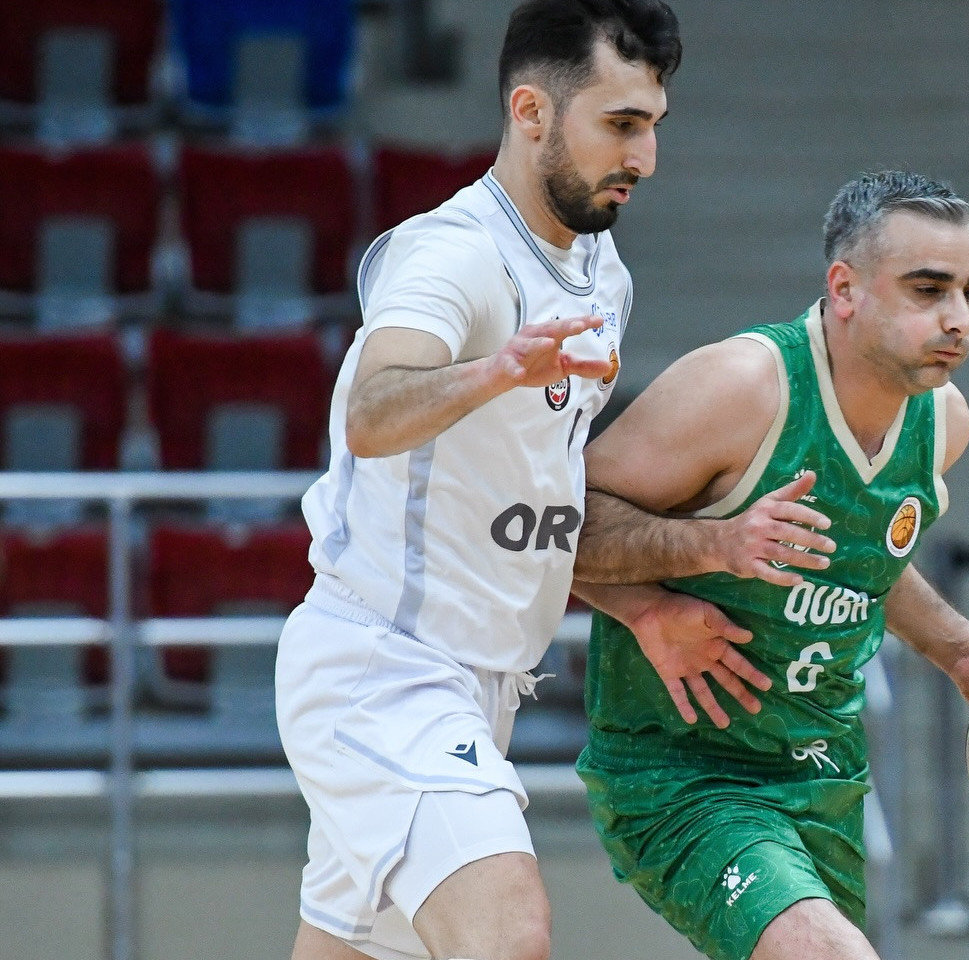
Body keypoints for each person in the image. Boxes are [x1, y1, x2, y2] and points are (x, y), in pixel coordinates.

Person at [567, 170, 969, 960]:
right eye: (928, 289)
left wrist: (957, 648)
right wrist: (663, 592)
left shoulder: (943, 423)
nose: (957, 318)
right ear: (844, 289)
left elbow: (862, 560)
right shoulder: (741, 388)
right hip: (684, 769)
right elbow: (555, 524)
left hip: (821, 769)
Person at [271, 4, 690, 959]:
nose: (645, 157)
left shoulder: (602, 271)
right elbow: (372, 410)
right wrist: (496, 371)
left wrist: (639, 605)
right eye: (621, 124)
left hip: (479, 686)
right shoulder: (454, 252)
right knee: (507, 931)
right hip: (385, 667)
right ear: (531, 111)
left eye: (654, 125)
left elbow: (534, 498)